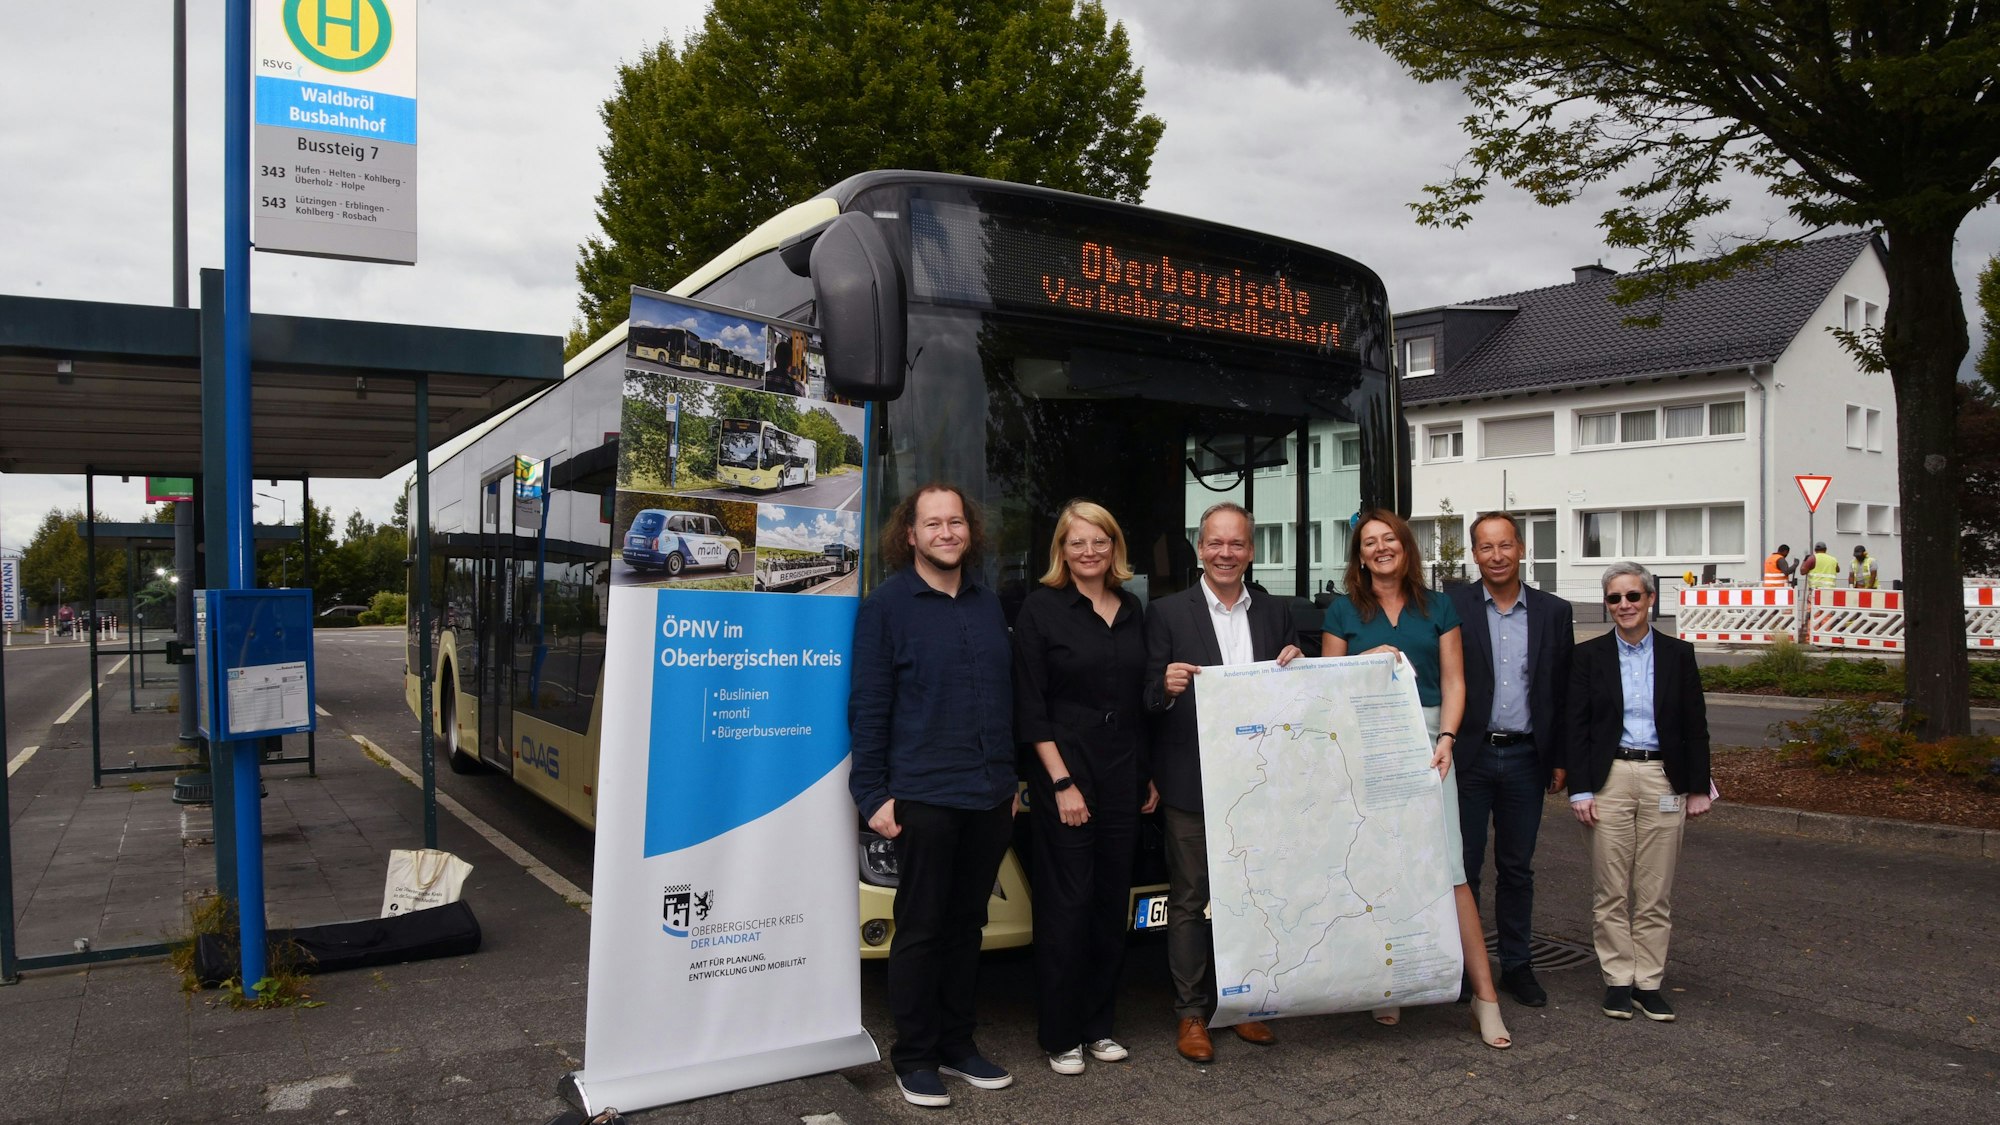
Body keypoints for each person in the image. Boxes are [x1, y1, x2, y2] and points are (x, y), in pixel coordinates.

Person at [849, 484, 1017, 1108]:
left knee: (966, 926)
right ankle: (915, 1056)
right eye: (933, 524)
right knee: (920, 929)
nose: (947, 533)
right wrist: (872, 793)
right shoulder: (887, 606)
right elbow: (869, 706)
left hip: (989, 795)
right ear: (910, 535)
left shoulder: (985, 601)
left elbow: (1001, 700)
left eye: (956, 522)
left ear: (968, 531)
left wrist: (1008, 784)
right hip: (921, 795)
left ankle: (957, 1046)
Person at [1321, 509, 1511, 1049]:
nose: (1381, 549)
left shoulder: (1439, 606)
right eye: (1370, 543)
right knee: (1382, 864)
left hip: (1430, 747)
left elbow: (1455, 681)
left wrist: (1447, 738)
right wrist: (1363, 664)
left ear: (1406, 550)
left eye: (1390, 541)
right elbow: (1327, 693)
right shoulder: (1342, 611)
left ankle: (1484, 998)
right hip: (1368, 745)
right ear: (1360, 556)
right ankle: (1391, 984)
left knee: (1449, 869)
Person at [1142, 502, 1301, 1064]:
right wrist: (1163, 685)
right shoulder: (1165, 614)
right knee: (1189, 901)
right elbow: (1146, 699)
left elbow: (1291, 698)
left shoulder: (1277, 613)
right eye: (1215, 543)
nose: (1226, 553)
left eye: (1236, 545)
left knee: (1254, 897)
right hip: (1193, 780)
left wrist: (1296, 664)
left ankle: (1245, 1005)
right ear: (1200, 547)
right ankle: (1192, 1014)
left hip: (1258, 784)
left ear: (1251, 551)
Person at [1012, 500, 1154, 1076]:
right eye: (1077, 543)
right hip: (1066, 776)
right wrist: (1062, 782)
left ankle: (1098, 1026)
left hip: (1124, 775)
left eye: (1100, 542)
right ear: (1061, 551)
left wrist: (1145, 774)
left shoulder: (1132, 608)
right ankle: (1060, 1034)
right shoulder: (1041, 610)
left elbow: (1136, 700)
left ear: (1114, 547)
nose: (1089, 552)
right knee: (1066, 906)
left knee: (1108, 903)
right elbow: (1029, 706)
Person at [1567, 562, 1713, 1023]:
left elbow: (1696, 726)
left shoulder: (1678, 654)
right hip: (1610, 777)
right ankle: (1617, 979)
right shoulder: (1588, 657)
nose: (1624, 606)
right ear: (1607, 604)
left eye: (1633, 596)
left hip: (1663, 780)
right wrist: (1580, 789)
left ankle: (1648, 982)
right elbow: (1577, 727)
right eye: (1615, 598)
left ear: (1651, 599)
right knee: (1610, 888)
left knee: (1654, 891)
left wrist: (1696, 786)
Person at [1446, 512, 1574, 1009]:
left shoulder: (1553, 612)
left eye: (1504, 545)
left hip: (1525, 756)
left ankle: (1517, 965)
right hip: (1470, 757)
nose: (1495, 556)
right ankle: (1462, 968)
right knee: (1464, 867)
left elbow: (1560, 691)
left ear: (1520, 548)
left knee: (1517, 868)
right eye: (1484, 547)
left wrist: (1560, 757)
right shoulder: (1452, 605)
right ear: (1474, 554)